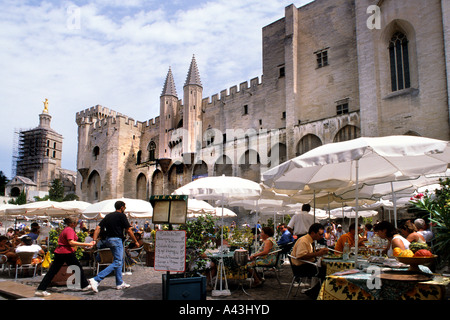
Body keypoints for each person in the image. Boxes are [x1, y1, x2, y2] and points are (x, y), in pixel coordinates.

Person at [35, 217, 96, 297]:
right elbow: (71, 242)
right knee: (77, 267)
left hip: (61, 251)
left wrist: (84, 246)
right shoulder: (69, 230)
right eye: (77, 223)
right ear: (72, 224)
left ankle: (41, 288)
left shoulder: (66, 229)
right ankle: (84, 285)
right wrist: (87, 244)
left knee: (53, 271)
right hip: (66, 252)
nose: (77, 224)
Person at [89, 201, 139, 293]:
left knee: (119, 261)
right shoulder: (122, 216)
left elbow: (98, 228)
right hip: (117, 240)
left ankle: (119, 283)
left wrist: (94, 240)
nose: (125, 208)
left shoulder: (108, 216)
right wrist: (135, 241)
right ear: (122, 207)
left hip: (109, 240)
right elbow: (128, 229)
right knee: (118, 262)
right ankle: (96, 279)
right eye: (125, 207)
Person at [290, 223, 329, 299]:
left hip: (306, 265)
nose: (322, 236)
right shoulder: (304, 241)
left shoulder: (309, 240)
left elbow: (308, 252)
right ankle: (315, 292)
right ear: (312, 233)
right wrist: (318, 253)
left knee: (326, 270)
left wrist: (318, 251)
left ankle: (314, 292)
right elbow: (300, 255)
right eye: (320, 234)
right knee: (327, 272)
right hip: (301, 268)